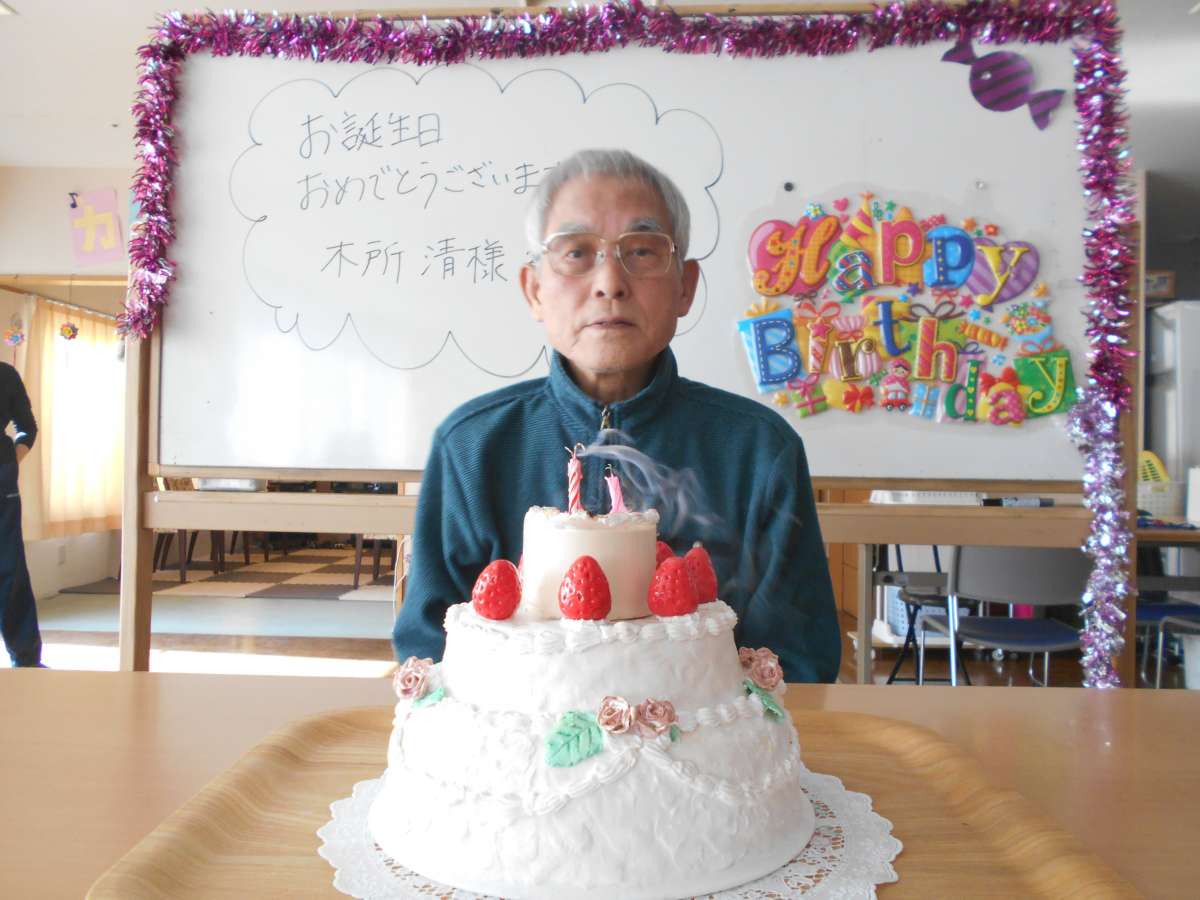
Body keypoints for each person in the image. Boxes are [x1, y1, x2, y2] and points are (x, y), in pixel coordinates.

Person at [392, 149, 840, 682]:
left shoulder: (760, 452)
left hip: (710, 735)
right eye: (576, 252)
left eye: (642, 251)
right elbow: (431, 654)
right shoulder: (471, 449)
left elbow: (797, 666)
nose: (610, 282)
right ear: (534, 289)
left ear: (686, 286)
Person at [1, 360, 44, 668]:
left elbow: (27, 428)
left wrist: (10, 464)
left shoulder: (4, 374)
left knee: (9, 567)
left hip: (1, 484)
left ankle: (26, 659)